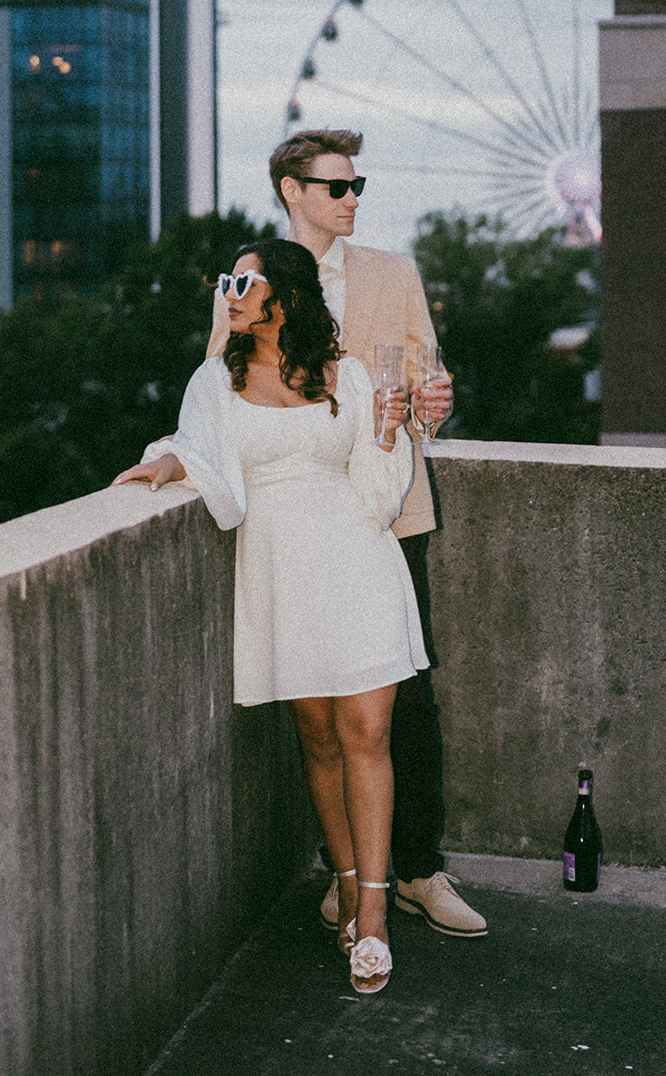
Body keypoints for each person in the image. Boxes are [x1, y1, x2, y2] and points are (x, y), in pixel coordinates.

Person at [113, 238, 428, 994]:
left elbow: (377, 492)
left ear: (281, 296)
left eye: (242, 282)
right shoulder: (214, 383)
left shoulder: (345, 375)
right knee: (318, 737)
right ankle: (347, 884)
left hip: (357, 562)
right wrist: (166, 462)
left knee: (368, 733)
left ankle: (374, 919)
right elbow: (196, 448)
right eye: (225, 280)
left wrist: (384, 432)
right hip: (282, 571)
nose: (228, 292)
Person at [205, 129, 487, 940]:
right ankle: (349, 874)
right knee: (318, 711)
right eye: (336, 186)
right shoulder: (243, 281)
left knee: (409, 698)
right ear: (292, 191)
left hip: (390, 507)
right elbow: (215, 394)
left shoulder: (393, 274)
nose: (352, 198)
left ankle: (418, 873)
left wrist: (434, 404)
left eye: (357, 184)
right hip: (295, 525)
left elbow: (430, 373)